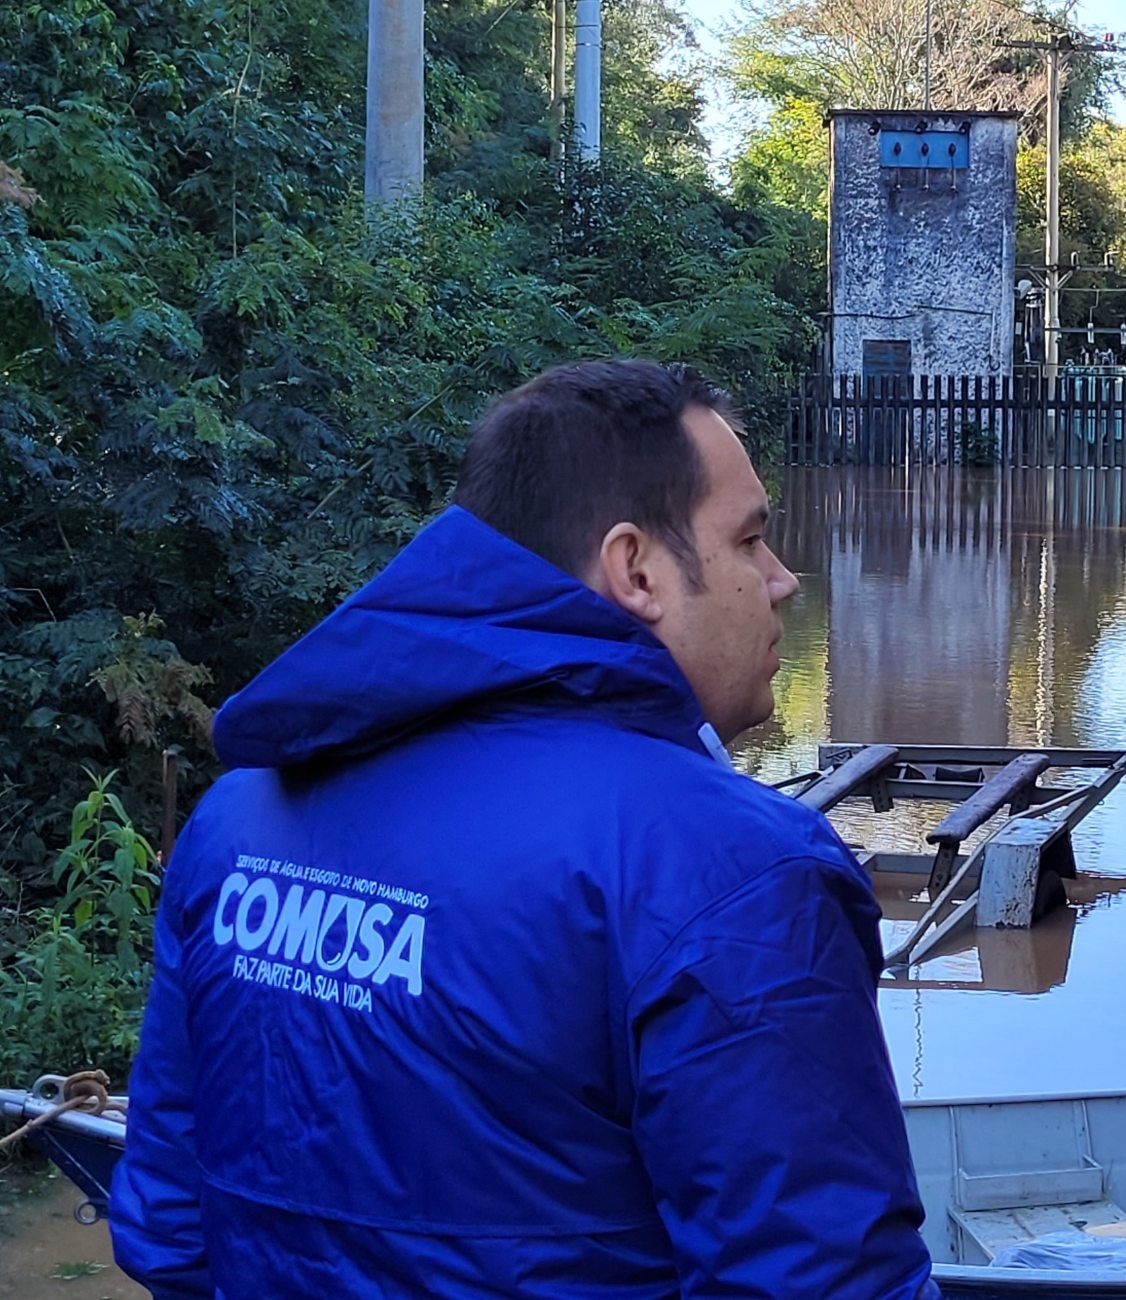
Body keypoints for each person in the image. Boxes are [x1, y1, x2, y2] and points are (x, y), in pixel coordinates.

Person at [109, 359, 940, 1299]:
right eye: (750, 540)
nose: (783, 580)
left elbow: (171, 1229)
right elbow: (817, 1282)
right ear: (635, 569)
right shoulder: (728, 875)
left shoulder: (237, 820)